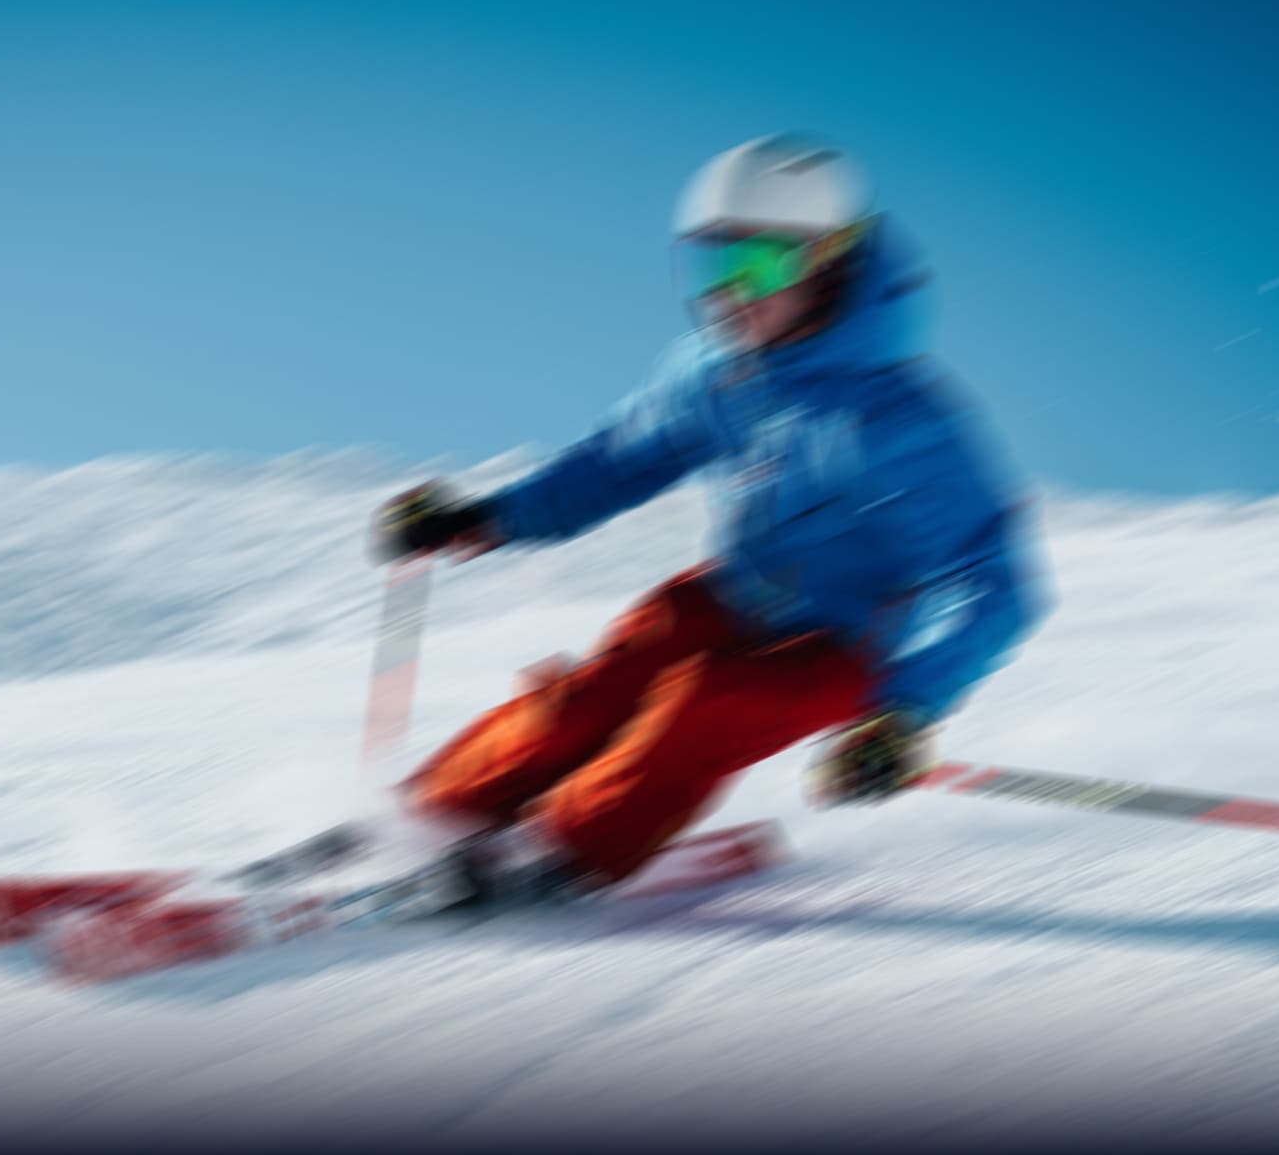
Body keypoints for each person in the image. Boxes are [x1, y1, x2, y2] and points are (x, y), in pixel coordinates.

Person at [372, 133, 1049, 904]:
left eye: (760, 265)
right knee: (596, 692)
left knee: (703, 707)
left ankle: (558, 852)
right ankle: (430, 814)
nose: (731, 292)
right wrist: (488, 518)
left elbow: (994, 585)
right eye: (711, 265)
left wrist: (905, 712)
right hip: (736, 594)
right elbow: (618, 462)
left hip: (842, 647)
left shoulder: (899, 421)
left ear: (828, 262)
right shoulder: (713, 372)